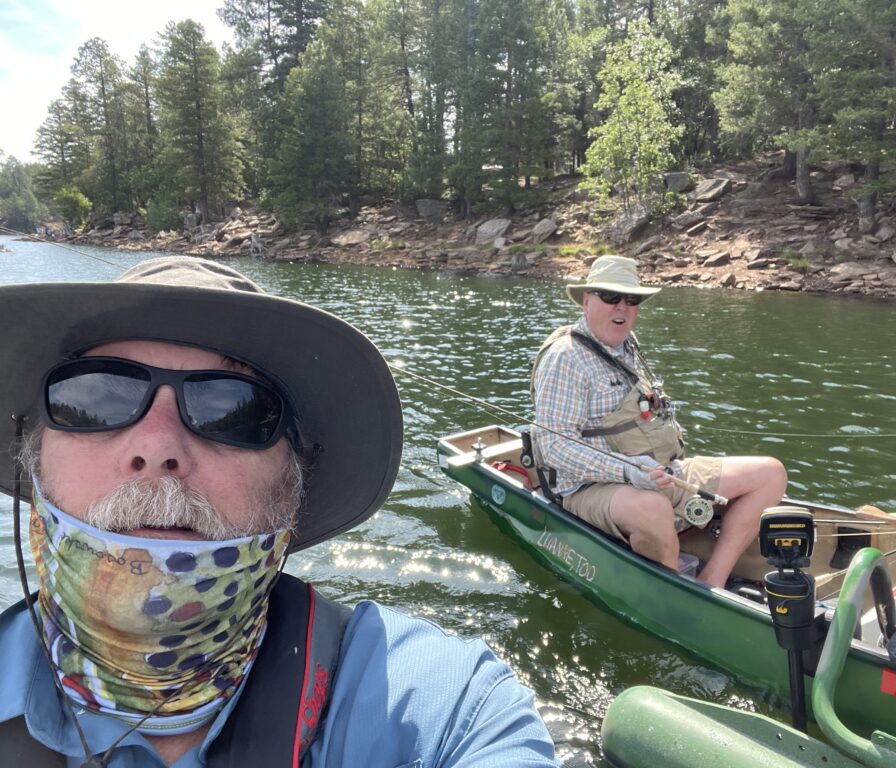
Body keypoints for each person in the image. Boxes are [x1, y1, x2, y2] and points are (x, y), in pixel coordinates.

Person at [0, 257, 558, 767]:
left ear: (292, 489)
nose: (158, 445)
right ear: (34, 455)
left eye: (232, 411)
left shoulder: (449, 709)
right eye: (95, 398)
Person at [531, 255, 787, 588]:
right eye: (610, 296)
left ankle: (712, 581)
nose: (622, 307)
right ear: (587, 300)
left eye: (632, 299)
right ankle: (674, 591)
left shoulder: (627, 345)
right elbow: (555, 446)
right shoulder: (565, 357)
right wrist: (629, 471)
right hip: (588, 488)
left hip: (662, 473)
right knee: (653, 509)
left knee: (770, 475)